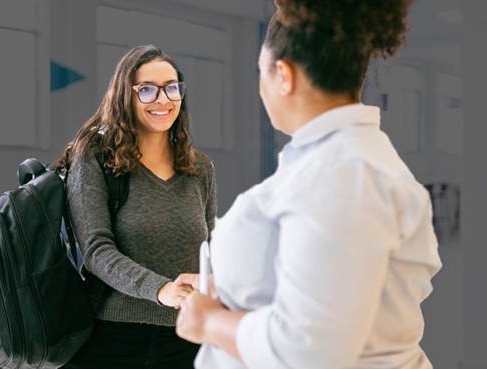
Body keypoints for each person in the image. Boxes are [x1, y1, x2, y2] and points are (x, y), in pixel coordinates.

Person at [175, 1, 442, 368]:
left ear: (283, 75)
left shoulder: (342, 176)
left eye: (260, 71)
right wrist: (232, 290)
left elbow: (307, 351)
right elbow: (327, 290)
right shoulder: (334, 166)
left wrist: (208, 321)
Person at [54, 45, 217, 369]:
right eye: (147, 90)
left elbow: (209, 246)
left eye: (172, 87)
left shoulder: (200, 168)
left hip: (186, 336)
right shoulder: (95, 157)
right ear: (124, 96)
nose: (163, 99)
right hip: (113, 337)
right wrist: (160, 290)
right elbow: (97, 250)